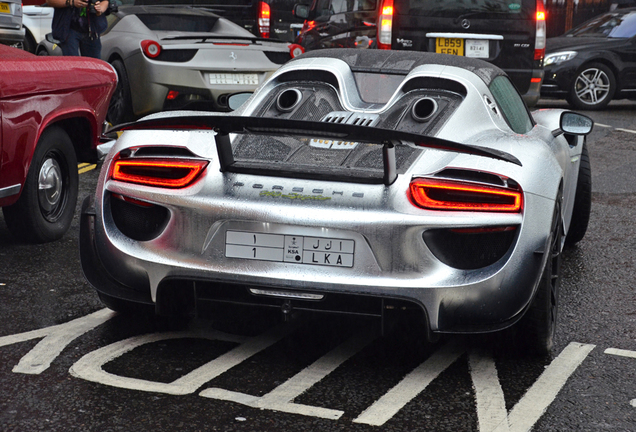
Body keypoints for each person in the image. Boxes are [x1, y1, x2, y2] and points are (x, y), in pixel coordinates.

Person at [45, 0, 111, 58]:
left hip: (92, 30)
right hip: (69, 29)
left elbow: (105, 1)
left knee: (93, 66)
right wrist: (71, 2)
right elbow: (50, 1)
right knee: (72, 64)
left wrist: (99, 9)